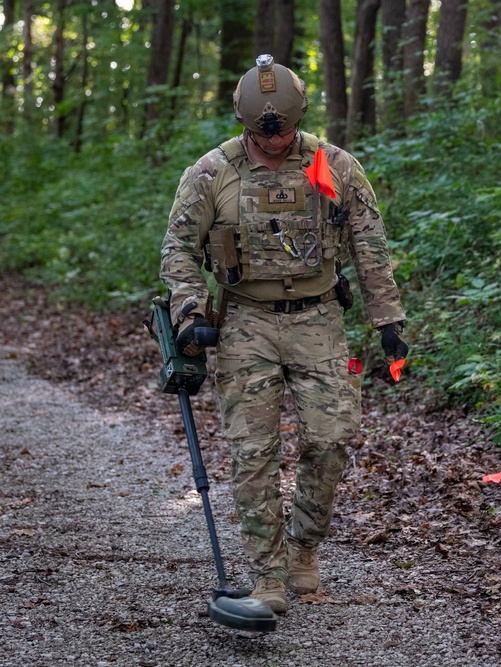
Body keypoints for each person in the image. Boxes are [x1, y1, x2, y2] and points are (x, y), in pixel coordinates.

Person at [159, 54, 408, 614]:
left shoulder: (334, 165)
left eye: (286, 132)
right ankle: (267, 577)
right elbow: (177, 251)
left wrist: (388, 320)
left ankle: (302, 548)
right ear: (246, 124)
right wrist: (190, 310)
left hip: (319, 318)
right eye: (261, 135)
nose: (274, 144)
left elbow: (370, 247)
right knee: (253, 452)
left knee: (332, 438)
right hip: (245, 322)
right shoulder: (211, 172)